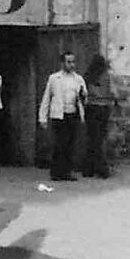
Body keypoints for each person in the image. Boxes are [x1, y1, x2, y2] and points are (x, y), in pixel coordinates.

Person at [38, 52, 87, 182]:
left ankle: (67, 172)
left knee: (70, 145)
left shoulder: (78, 79)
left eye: (73, 62)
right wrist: (42, 118)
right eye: (68, 62)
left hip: (73, 114)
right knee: (60, 144)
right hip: (59, 115)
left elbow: (84, 98)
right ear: (62, 63)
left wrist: (83, 97)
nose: (71, 65)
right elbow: (46, 98)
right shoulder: (54, 78)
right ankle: (56, 172)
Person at [83, 54, 113, 178]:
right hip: (103, 108)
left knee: (92, 139)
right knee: (99, 140)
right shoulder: (106, 76)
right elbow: (111, 92)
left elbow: (84, 92)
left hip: (91, 108)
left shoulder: (88, 76)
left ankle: (89, 169)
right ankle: (101, 169)